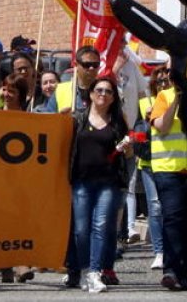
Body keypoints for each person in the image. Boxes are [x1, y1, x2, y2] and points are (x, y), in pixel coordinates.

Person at [69, 77, 132, 294]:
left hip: (109, 182)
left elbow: (129, 153)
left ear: (114, 97)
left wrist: (127, 147)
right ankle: (85, 270)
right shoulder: (77, 118)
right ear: (91, 94)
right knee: (80, 230)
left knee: (102, 226)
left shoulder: (118, 121)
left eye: (108, 91)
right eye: (99, 90)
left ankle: (95, 272)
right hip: (81, 181)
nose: (103, 94)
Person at [148, 75, 187, 291]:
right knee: (173, 218)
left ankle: (185, 274)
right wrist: (176, 100)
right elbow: (162, 126)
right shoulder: (164, 96)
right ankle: (170, 270)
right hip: (168, 168)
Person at [136, 67, 170, 272]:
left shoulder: (176, 101)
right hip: (149, 163)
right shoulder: (145, 103)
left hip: (173, 161)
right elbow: (138, 131)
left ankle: (174, 249)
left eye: (166, 81)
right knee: (155, 207)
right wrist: (149, 118)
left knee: (172, 209)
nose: (163, 85)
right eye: (159, 82)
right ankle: (160, 252)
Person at [58, 46, 100, 114]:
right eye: (87, 64)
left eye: (95, 64)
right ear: (76, 65)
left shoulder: (106, 92)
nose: (91, 68)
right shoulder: (60, 90)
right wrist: (60, 117)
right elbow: (48, 119)